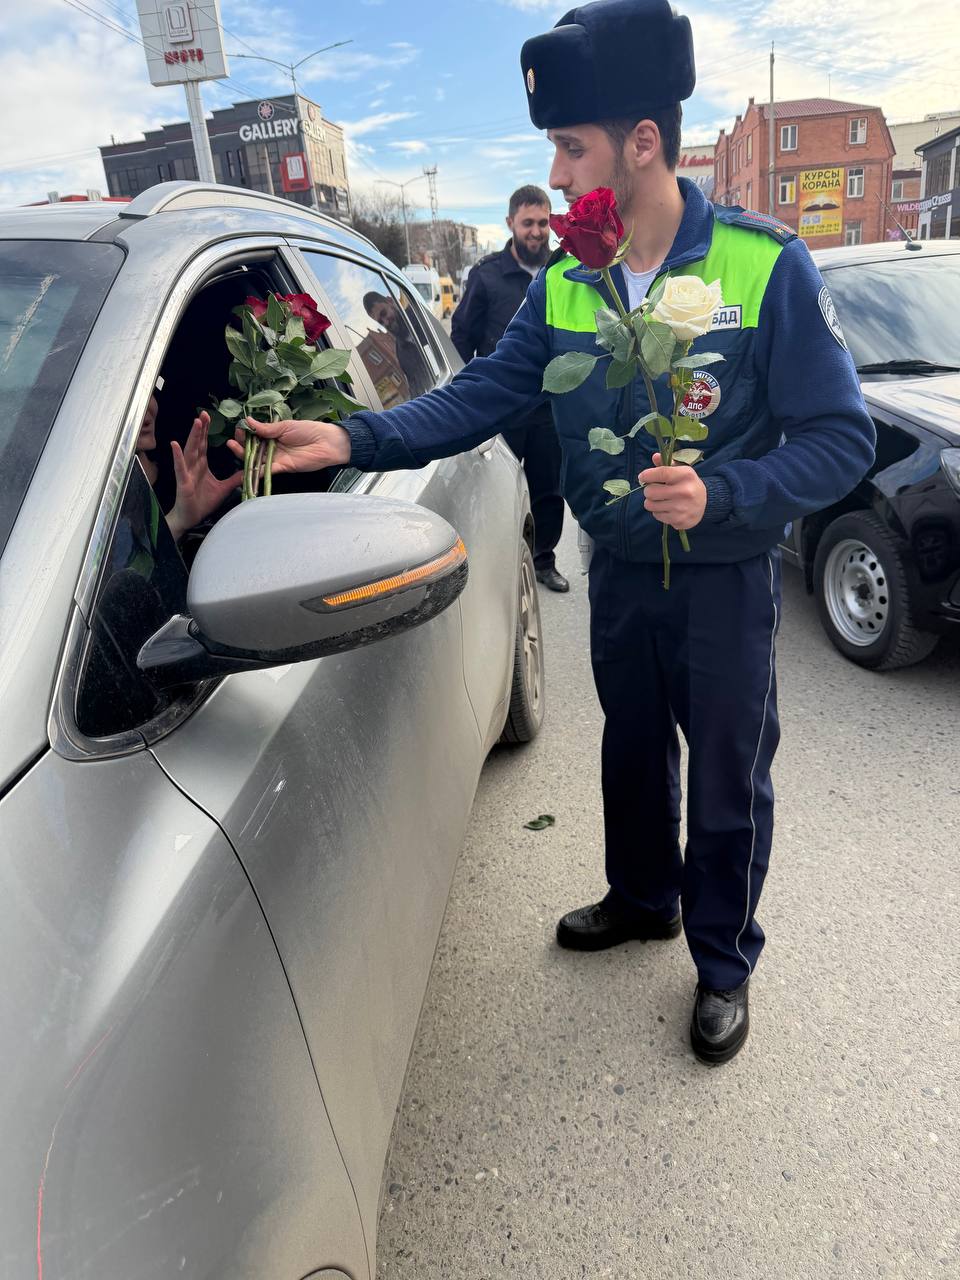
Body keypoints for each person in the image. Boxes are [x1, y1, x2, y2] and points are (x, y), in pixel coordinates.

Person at [231, 0, 876, 1064]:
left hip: (724, 582)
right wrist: (347, 439)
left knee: (725, 773)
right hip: (620, 569)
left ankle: (721, 959)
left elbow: (839, 437)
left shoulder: (765, 267)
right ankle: (642, 896)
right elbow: (478, 395)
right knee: (630, 747)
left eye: (572, 149)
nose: (562, 174)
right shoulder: (566, 286)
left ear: (643, 143)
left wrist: (729, 493)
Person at [452, 186, 568, 592]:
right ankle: (499, 563)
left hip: (549, 408)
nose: (537, 231)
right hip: (500, 410)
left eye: (543, 222)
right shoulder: (486, 275)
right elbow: (461, 339)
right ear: (510, 224)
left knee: (549, 492)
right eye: (528, 223)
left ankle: (543, 560)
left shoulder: (567, 269)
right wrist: (464, 399)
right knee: (494, 491)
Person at [137, 394, 241, 542]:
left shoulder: (193, 467)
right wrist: (176, 522)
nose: (144, 407)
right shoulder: (106, 507)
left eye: (147, 391)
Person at [362, 291, 434, 399]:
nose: (386, 323)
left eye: (383, 313)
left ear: (390, 301)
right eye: (381, 322)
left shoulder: (421, 315)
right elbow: (417, 391)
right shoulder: (401, 353)